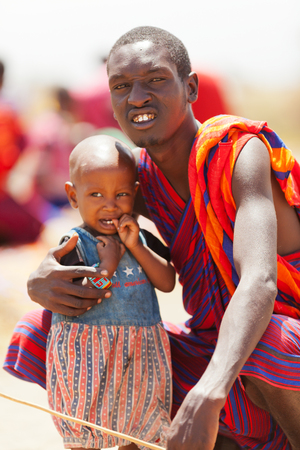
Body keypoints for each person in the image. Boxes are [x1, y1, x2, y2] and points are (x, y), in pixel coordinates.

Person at [4, 26, 300, 450]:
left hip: (278, 354)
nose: (137, 96)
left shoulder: (238, 151)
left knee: (265, 342)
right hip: (217, 354)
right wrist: (40, 280)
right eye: (121, 86)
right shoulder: (139, 180)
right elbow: (89, 225)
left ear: (191, 87)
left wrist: (208, 392)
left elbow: (260, 283)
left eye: (155, 80)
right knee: (42, 329)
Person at [46, 134, 175, 449]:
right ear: (73, 196)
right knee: (84, 429)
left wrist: (136, 247)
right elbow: (84, 295)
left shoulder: (137, 237)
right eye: (95, 194)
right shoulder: (74, 244)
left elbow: (168, 282)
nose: (110, 205)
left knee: (137, 427)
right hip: (87, 356)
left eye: (120, 194)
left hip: (141, 351)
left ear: (134, 194)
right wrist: (107, 267)